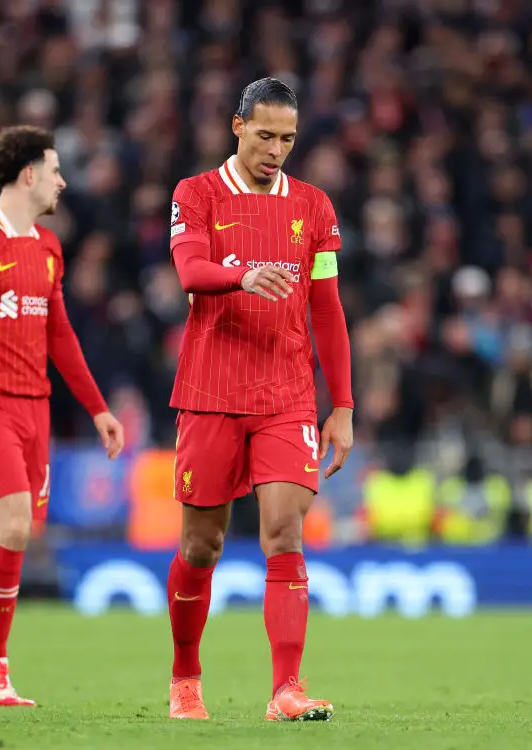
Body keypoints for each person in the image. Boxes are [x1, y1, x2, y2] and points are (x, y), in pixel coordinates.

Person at [165, 78, 354, 722]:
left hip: (287, 392)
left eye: (288, 139)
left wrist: (344, 407)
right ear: (237, 126)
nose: (277, 149)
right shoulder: (196, 195)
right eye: (267, 135)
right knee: (201, 547)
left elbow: (327, 311)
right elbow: (190, 273)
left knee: (284, 532)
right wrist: (242, 276)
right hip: (212, 390)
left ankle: (286, 690)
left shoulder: (316, 209)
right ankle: (186, 679)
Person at [0, 125, 125, 707]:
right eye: (56, 170)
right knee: (14, 530)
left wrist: (98, 409)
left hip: (36, 411)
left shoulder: (49, 247)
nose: (63, 181)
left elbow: (59, 335)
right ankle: (0, 671)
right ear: (28, 174)